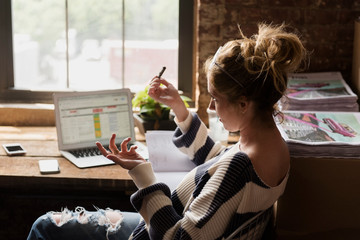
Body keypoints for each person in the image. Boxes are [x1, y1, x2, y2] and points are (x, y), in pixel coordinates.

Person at [27, 23, 307, 240]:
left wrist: (143, 175)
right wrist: (180, 110)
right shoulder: (272, 145)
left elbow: (176, 237)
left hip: (163, 226)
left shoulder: (241, 165)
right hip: (174, 215)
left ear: (244, 104)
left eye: (216, 98)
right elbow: (218, 162)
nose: (211, 105)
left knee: (45, 226)